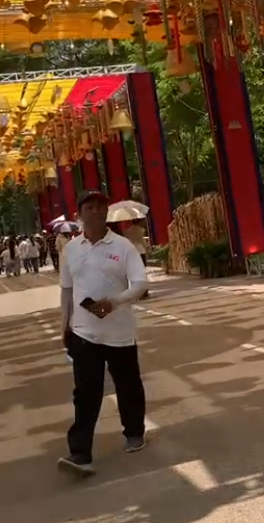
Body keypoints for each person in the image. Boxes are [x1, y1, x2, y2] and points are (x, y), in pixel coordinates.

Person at [58, 189, 149, 476]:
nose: (96, 211)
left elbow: (140, 283)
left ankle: (134, 431)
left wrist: (115, 301)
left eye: (101, 206)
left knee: (128, 385)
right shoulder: (71, 250)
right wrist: (64, 324)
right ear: (80, 214)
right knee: (86, 392)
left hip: (119, 332)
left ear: (107, 212)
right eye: (90, 206)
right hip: (85, 334)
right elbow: (67, 289)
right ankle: (80, 453)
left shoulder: (123, 246)